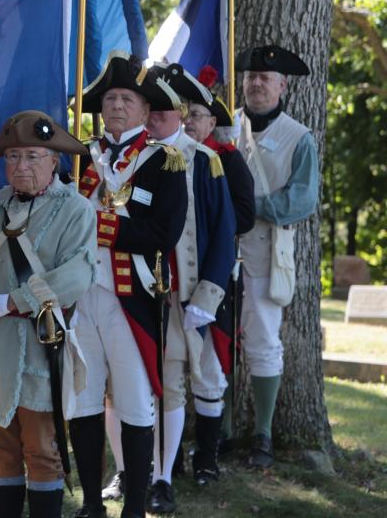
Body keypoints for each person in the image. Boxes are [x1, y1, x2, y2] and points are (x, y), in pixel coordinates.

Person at [68, 51, 188, 518]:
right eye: (110, 98)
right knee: (83, 399)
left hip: (131, 298)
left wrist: (105, 229)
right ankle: (92, 503)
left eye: (127, 98)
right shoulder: (82, 157)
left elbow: (164, 233)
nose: (117, 105)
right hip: (81, 296)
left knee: (136, 401)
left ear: (144, 109)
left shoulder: (165, 162)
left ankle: (136, 506)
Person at [0, 110, 96, 518]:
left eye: (30, 157)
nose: (19, 166)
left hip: (43, 343)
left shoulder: (75, 209)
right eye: (11, 157)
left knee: (43, 448)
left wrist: (12, 301)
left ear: (53, 161)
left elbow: (77, 274)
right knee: (1, 447)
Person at [138, 63, 236, 513]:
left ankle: (162, 477)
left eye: (167, 109)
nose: (156, 116)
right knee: (132, 387)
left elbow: (224, 232)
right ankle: (132, 470)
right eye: (151, 108)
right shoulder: (129, 157)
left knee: (175, 383)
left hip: (183, 294)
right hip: (133, 293)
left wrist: (208, 298)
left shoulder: (206, 161)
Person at [235, 45, 319, 469]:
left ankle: (262, 434)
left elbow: (300, 200)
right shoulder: (223, 126)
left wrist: (244, 208)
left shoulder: (298, 137)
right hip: (217, 251)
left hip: (266, 252)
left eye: (266, 77)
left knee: (264, 341)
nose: (256, 83)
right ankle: (219, 430)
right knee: (205, 339)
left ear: (283, 85)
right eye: (251, 76)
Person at [183, 66, 256, 466]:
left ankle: (208, 457)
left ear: (213, 122)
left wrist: (213, 216)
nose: (190, 121)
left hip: (216, 272)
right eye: (186, 113)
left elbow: (244, 215)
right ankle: (167, 457)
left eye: (197, 115)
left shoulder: (226, 161)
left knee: (209, 366)